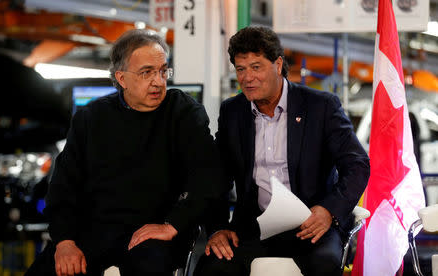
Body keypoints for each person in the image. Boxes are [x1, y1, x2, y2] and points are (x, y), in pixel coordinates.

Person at [26, 29, 225, 276]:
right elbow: (63, 188)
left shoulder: (183, 112)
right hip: (95, 233)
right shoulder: (90, 118)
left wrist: (173, 224)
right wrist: (65, 242)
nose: (158, 81)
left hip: (154, 234)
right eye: (146, 73)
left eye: (163, 71)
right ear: (121, 78)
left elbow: (208, 177)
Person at [194, 26, 370, 276]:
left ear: (278, 65)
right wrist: (217, 228)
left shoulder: (321, 107)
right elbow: (217, 177)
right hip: (252, 229)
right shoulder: (233, 112)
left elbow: (358, 164)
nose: (247, 78)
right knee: (212, 268)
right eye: (241, 69)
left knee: (325, 264)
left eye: (256, 67)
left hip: (311, 226)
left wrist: (328, 210)